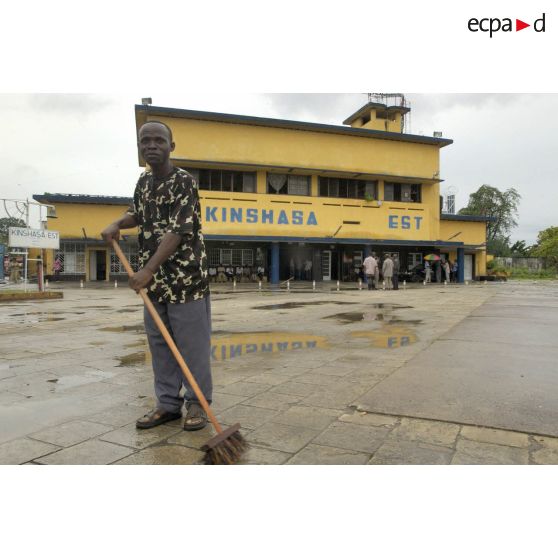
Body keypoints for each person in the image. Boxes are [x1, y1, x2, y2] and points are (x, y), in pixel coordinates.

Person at [101, 121, 212, 432]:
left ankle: (197, 404)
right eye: (144, 140)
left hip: (185, 280)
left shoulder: (184, 182)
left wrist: (146, 270)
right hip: (156, 286)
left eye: (158, 140)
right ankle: (167, 404)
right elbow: (136, 213)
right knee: (160, 345)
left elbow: (178, 230)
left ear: (171, 146)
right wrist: (117, 224)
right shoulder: (144, 182)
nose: (151, 145)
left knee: (192, 347)